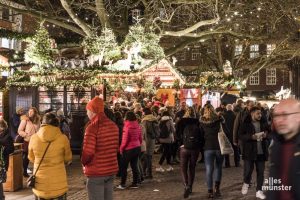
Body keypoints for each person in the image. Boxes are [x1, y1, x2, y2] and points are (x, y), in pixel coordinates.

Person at [81, 97, 119, 200]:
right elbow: (115, 147)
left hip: (96, 172)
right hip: (110, 169)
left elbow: (88, 152)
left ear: (92, 111)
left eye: (87, 110)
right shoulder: (113, 125)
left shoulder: (92, 127)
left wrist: (83, 162)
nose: (87, 113)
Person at [28, 113, 72, 200]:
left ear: (42, 123)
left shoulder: (34, 138)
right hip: (58, 183)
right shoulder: (63, 138)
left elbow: (31, 158)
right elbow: (68, 158)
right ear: (57, 124)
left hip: (40, 182)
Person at [266, 99, 300, 200]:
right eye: (276, 116)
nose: (279, 120)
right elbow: (273, 183)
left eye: (285, 115)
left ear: (298, 116)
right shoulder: (276, 145)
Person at [239, 106, 270, 200]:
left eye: (260, 113)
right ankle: (246, 183)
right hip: (249, 152)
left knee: (260, 172)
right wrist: (251, 137)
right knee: (248, 171)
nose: (260, 115)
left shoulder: (264, 123)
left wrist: (266, 135)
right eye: (258, 113)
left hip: (261, 152)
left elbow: (270, 133)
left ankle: (259, 191)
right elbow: (240, 136)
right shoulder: (245, 124)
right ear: (252, 114)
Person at [200, 104, 228, 198]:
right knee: (219, 167)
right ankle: (217, 189)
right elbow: (227, 131)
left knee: (209, 169)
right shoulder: (219, 120)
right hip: (219, 146)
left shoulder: (202, 121)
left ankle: (210, 191)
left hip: (208, 147)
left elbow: (200, 135)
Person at [177, 110, 204, 198]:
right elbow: (202, 136)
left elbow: (177, 134)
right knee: (192, 167)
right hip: (195, 148)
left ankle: (186, 185)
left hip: (184, 148)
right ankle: (190, 186)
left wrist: (181, 143)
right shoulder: (198, 123)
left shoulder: (181, 122)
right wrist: (200, 147)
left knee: (183, 167)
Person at [117, 111, 142, 189]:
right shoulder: (137, 125)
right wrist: (138, 144)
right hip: (137, 147)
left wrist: (121, 149)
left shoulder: (127, 126)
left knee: (124, 167)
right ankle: (135, 183)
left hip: (128, 149)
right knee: (134, 166)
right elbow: (140, 138)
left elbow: (125, 140)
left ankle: (122, 184)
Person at [18, 107, 41, 177]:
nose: (30, 113)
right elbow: (19, 131)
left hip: (36, 142)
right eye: (29, 111)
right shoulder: (25, 120)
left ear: (35, 113)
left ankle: (36, 172)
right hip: (27, 141)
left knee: (37, 157)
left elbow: (40, 130)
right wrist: (26, 135)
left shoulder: (38, 121)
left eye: (32, 112)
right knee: (27, 157)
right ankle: (25, 171)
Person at [141, 107, 159, 179]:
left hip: (147, 139)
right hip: (152, 139)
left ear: (145, 112)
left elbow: (144, 132)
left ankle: (147, 173)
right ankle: (146, 172)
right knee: (149, 156)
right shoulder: (154, 118)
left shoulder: (145, 120)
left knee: (146, 157)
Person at [0, 119, 14, 200]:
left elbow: (11, 149)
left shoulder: (7, 136)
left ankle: (1, 197)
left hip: (2, 163)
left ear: (2, 127)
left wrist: (3, 149)